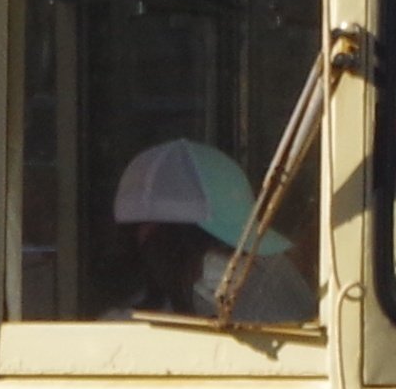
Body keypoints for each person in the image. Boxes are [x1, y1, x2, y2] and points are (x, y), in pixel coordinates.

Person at [106, 139, 313, 329]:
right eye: (218, 246)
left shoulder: (257, 280)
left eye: (232, 250)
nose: (233, 268)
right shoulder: (125, 325)